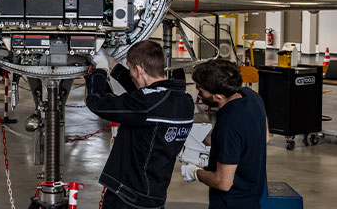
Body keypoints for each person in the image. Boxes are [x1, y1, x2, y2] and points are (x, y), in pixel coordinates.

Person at [85, 40, 194, 209]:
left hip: (128, 199)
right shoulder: (184, 101)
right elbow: (143, 93)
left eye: (130, 70)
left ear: (139, 70)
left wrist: (100, 68)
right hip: (154, 195)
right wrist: (112, 62)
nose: (130, 75)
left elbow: (97, 102)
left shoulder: (147, 105)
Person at [181, 59, 269, 209]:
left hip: (231, 203)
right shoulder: (251, 96)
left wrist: (195, 172)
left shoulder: (228, 124)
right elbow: (265, 137)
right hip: (253, 198)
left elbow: (223, 183)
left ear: (219, 97)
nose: (199, 94)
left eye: (201, 91)